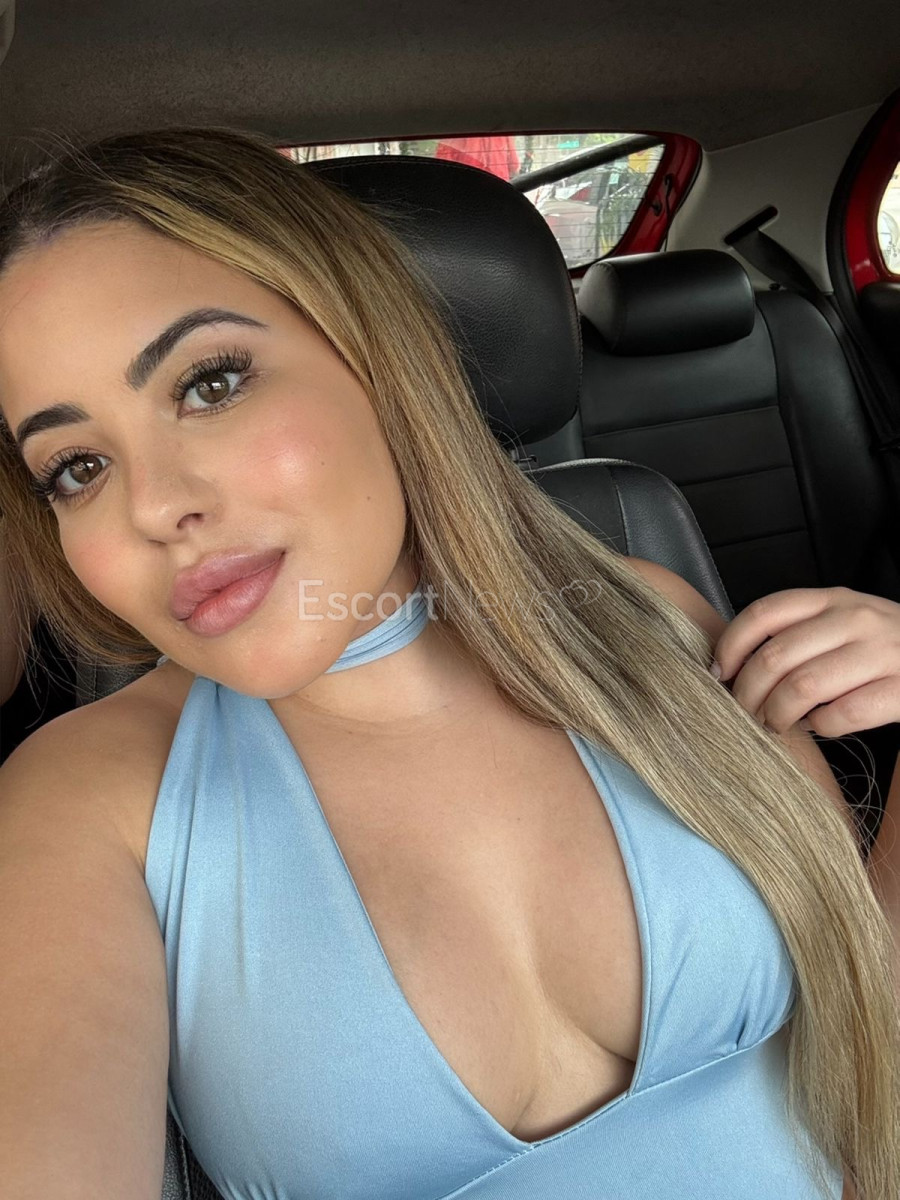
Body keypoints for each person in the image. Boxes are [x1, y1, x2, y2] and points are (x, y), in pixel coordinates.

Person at [0, 128, 895, 1200]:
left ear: (376, 350)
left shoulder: (652, 620)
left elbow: (868, 1017)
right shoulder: (82, 801)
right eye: (77, 467)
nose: (153, 507)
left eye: (210, 382)